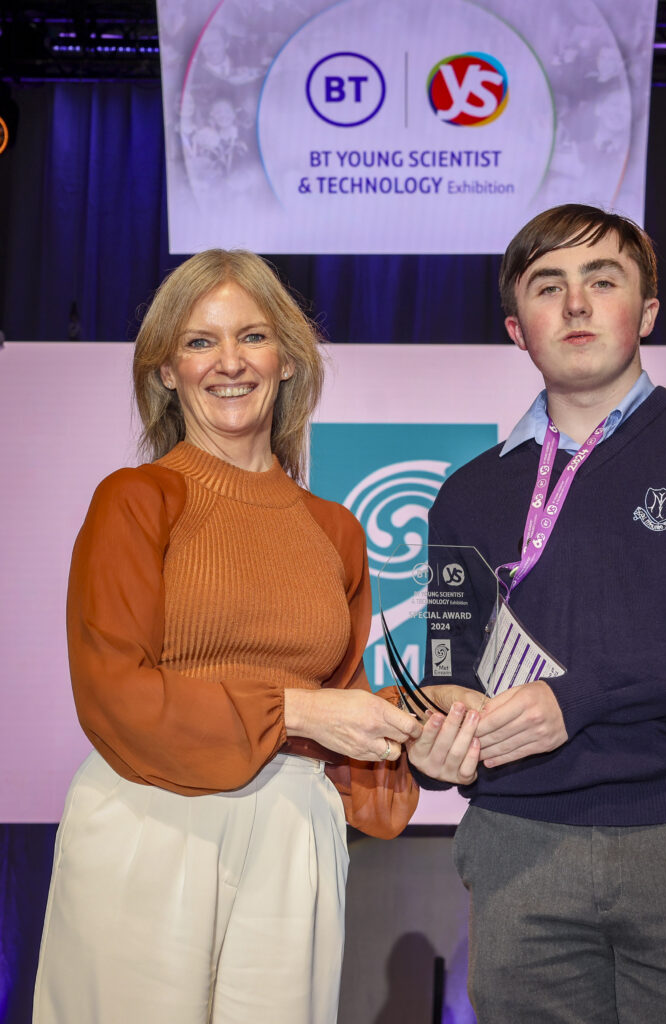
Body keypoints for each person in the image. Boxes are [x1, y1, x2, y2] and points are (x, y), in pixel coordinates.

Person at [407, 204, 666, 1023]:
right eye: (548, 287)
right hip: (516, 841)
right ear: (518, 328)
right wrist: (434, 749)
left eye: (602, 280)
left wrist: (575, 700)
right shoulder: (468, 492)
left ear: (646, 313)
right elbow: (451, 670)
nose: (576, 304)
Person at [34, 250, 421, 1024]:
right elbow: (114, 692)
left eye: (251, 336)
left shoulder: (335, 531)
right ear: (167, 371)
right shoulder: (136, 500)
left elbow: (343, 712)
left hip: (295, 831)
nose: (229, 362)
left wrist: (411, 738)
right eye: (199, 341)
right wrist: (297, 712)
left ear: (286, 360)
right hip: (148, 817)